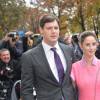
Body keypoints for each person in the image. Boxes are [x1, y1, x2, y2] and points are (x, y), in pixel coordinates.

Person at [21, 14, 76, 100]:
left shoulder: (68, 50)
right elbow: (26, 90)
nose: (53, 31)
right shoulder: (29, 57)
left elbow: (75, 79)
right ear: (41, 30)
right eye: (49, 28)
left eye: (56, 28)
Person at [71, 31, 100, 100]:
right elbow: (71, 92)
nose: (91, 48)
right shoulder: (74, 67)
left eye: (93, 44)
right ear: (81, 45)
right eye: (87, 45)